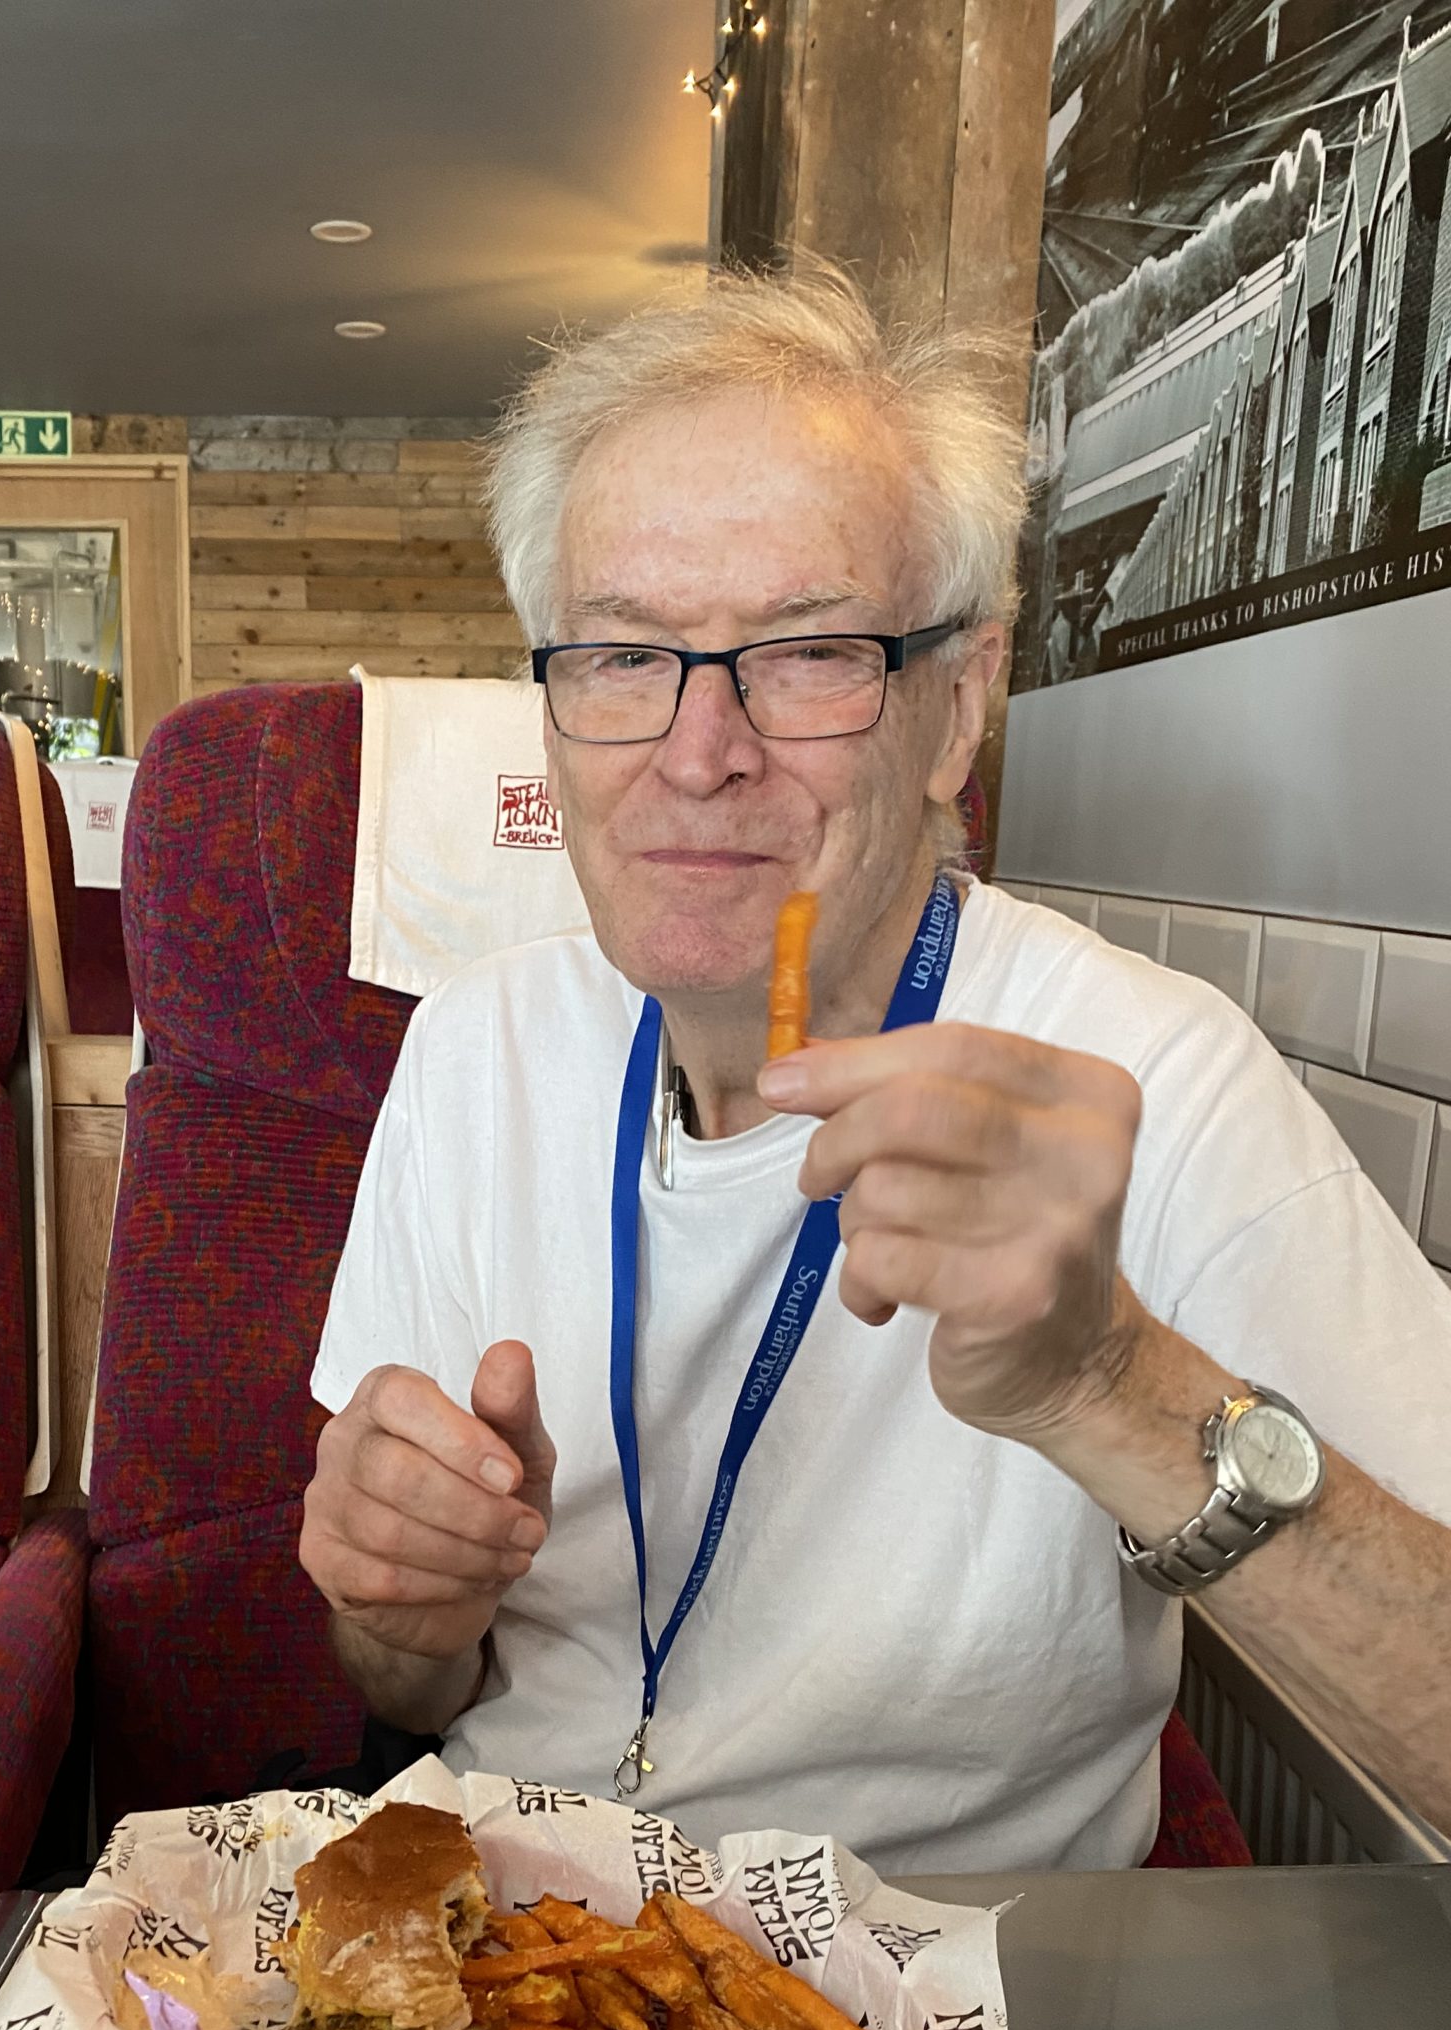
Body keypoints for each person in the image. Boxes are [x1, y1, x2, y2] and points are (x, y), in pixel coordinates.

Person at [300, 265, 1451, 1872]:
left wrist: (1106, 1381)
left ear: (958, 708)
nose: (700, 753)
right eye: (625, 657)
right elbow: (409, 1688)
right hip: (523, 1978)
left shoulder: (1152, 1078)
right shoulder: (470, 1050)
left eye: (809, 652)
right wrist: (399, 1606)